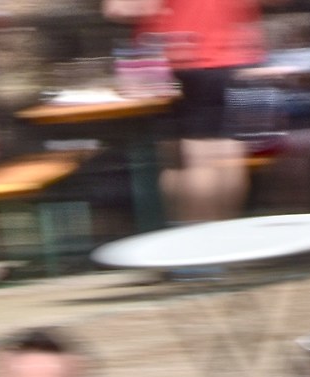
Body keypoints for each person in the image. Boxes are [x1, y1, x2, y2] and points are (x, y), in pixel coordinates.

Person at [109, 0, 265, 224]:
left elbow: (124, 7)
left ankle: (194, 242)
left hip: (169, 53)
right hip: (230, 53)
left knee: (182, 160)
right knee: (224, 154)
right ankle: (224, 241)